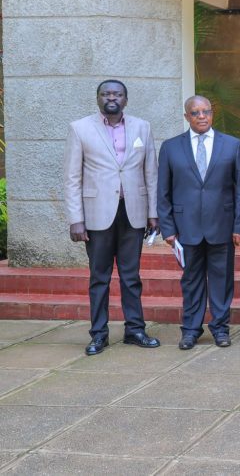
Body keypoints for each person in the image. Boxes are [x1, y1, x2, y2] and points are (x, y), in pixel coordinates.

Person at [63, 80, 161, 356]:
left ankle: (135, 330)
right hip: (96, 215)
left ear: (125, 100)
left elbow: (150, 173)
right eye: (106, 94)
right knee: (99, 278)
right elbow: (72, 178)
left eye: (117, 94)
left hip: (134, 212)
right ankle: (98, 334)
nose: (111, 98)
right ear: (98, 98)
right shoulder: (80, 128)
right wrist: (75, 219)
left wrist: (153, 213)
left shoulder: (142, 127)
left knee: (131, 276)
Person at [158, 96, 240, 349]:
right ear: (186, 116)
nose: (202, 116)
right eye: (195, 112)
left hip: (222, 225)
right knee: (191, 281)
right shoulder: (171, 147)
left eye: (206, 111)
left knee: (222, 281)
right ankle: (190, 330)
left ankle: (220, 329)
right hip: (186, 228)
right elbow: (163, 191)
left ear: (212, 113)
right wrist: (167, 228)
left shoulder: (231, 145)